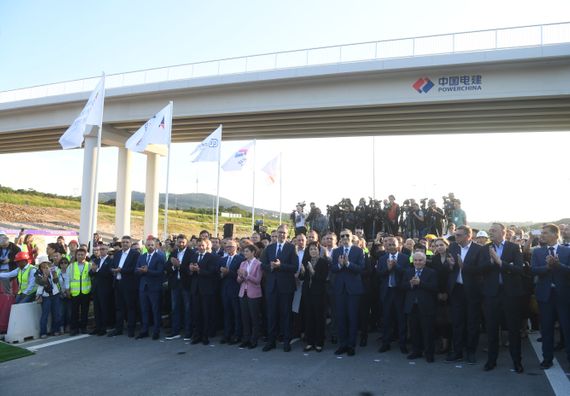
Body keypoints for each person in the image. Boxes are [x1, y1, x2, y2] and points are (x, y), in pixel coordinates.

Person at [481, 223, 525, 373]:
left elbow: (519, 269)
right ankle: (491, 361)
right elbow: (480, 269)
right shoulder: (485, 248)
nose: (490, 232)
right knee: (492, 329)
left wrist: (501, 263)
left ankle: (517, 361)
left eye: (494, 230)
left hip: (510, 294)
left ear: (503, 232)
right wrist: (491, 262)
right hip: (492, 295)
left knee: (513, 329)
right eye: (490, 230)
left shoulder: (513, 247)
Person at [531, 224, 570, 369]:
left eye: (545, 233)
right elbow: (534, 270)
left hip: (564, 296)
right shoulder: (538, 252)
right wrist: (548, 267)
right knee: (546, 329)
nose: (542, 235)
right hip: (545, 296)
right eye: (542, 233)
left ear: (555, 234)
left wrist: (557, 264)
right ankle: (547, 359)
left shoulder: (567, 251)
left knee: (567, 328)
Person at [446, 225, 485, 364]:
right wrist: (450, 265)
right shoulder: (452, 247)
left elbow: (482, 270)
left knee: (472, 323)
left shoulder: (479, 249)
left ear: (468, 236)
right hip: (456, 289)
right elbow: (449, 268)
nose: (456, 237)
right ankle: (457, 352)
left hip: (472, 291)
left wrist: (465, 267)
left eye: (459, 235)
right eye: (456, 235)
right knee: (457, 322)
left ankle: (471, 352)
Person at [260, 224, 298, 352]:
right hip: (271, 286)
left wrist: (280, 266)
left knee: (286, 314)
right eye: (279, 232)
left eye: (284, 233)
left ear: (287, 235)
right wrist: (270, 266)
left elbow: (295, 267)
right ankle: (271, 341)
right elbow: (262, 265)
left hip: (286, 287)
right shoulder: (269, 248)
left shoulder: (291, 248)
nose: (281, 235)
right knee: (271, 314)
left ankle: (286, 341)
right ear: (276, 233)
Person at [331, 229, 365, 356]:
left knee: (352, 318)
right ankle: (343, 344)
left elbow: (361, 269)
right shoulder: (336, 251)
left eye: (347, 235)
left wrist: (348, 264)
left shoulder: (358, 250)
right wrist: (340, 265)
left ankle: (351, 345)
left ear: (351, 237)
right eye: (342, 236)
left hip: (353, 290)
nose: (345, 237)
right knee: (341, 317)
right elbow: (333, 269)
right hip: (340, 289)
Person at [402, 252, 438, 362]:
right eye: (416, 260)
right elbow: (401, 285)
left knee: (427, 331)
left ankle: (429, 353)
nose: (417, 262)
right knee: (414, 330)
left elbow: (434, 287)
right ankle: (416, 351)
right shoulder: (408, 271)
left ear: (425, 261)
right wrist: (410, 284)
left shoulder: (431, 272)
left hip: (426, 306)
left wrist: (420, 283)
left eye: (420, 260)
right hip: (412, 306)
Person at [377, 237, 409, 354]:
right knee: (386, 319)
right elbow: (379, 274)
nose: (391, 247)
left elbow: (407, 273)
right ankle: (385, 343)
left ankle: (402, 344)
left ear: (398, 245)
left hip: (399, 292)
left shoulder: (404, 258)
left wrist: (396, 266)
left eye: (393, 244)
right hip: (387, 292)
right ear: (385, 246)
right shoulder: (382, 259)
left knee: (401, 319)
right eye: (388, 245)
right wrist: (388, 269)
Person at [108, 236, 140, 338]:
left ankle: (131, 329)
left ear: (130, 243)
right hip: (118, 283)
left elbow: (133, 269)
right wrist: (112, 270)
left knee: (130, 307)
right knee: (119, 307)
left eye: (127, 242)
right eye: (123, 242)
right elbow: (112, 265)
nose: (125, 244)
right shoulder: (117, 254)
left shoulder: (135, 254)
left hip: (129, 284)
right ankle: (119, 329)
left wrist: (120, 270)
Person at [301, 241, 329, 352]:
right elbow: (302, 278)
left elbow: (323, 279)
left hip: (319, 294)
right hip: (307, 293)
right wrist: (302, 272)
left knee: (319, 318)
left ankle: (319, 342)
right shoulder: (305, 261)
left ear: (319, 250)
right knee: (308, 317)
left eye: (315, 249)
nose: (313, 251)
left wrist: (313, 272)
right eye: (311, 249)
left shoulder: (323, 262)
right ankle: (309, 342)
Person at [189, 239, 219, 345]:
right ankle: (197, 335)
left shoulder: (212, 257)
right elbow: (190, 272)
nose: (200, 247)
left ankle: (205, 336)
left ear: (206, 246)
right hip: (195, 289)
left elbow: (213, 271)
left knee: (206, 313)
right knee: (196, 313)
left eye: (202, 245)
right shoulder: (194, 256)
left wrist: (199, 270)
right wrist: (191, 270)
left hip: (206, 289)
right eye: (198, 245)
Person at [136, 238, 166, 340]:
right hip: (143, 287)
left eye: (152, 245)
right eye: (148, 245)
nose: (150, 247)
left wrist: (147, 271)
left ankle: (156, 331)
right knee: (144, 310)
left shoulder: (159, 257)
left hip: (154, 287)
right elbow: (136, 270)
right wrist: (140, 271)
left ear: (155, 245)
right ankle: (144, 330)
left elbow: (160, 272)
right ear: (145, 246)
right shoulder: (142, 257)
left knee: (155, 310)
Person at [166, 234, 194, 340]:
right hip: (175, 284)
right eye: (179, 242)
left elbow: (190, 270)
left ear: (186, 243)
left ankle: (188, 332)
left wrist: (179, 266)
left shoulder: (191, 253)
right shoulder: (173, 252)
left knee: (187, 309)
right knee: (175, 308)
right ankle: (175, 331)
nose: (181, 244)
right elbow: (167, 266)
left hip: (186, 284)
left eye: (183, 242)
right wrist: (173, 266)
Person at [429, 238, 452, 355]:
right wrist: (438, 292)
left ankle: (450, 343)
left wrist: (447, 293)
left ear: (447, 245)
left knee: (450, 319)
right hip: (438, 293)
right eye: (436, 245)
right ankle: (443, 343)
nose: (439, 247)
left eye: (441, 245)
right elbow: (434, 278)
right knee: (440, 320)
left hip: (451, 293)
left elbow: (453, 276)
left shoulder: (452, 257)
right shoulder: (434, 259)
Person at [237, 244, 263, 349]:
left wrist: (247, 275)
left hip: (254, 294)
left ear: (253, 252)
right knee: (245, 317)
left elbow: (257, 280)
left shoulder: (258, 264)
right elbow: (238, 280)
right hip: (243, 292)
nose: (245, 253)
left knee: (254, 318)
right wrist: (241, 276)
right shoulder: (242, 263)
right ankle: (246, 339)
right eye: (244, 251)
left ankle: (254, 339)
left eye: (247, 251)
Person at [219, 239, 244, 344]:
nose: (229, 248)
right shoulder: (222, 259)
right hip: (225, 290)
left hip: (236, 289)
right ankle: (227, 334)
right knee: (227, 313)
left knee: (237, 313)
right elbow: (218, 275)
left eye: (231, 246)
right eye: (227, 246)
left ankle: (237, 335)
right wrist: (221, 274)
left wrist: (229, 272)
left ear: (236, 247)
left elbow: (240, 275)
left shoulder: (240, 259)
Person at [65, 248, 91, 336]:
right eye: (78, 254)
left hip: (86, 292)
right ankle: (74, 329)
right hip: (74, 292)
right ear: (76, 256)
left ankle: (83, 327)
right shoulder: (71, 266)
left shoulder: (89, 265)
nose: (80, 256)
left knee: (85, 311)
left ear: (85, 255)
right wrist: (67, 289)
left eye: (82, 254)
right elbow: (67, 278)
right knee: (74, 311)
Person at [89, 244, 113, 336]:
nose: (102, 251)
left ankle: (103, 328)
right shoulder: (96, 260)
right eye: (100, 249)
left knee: (104, 308)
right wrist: (93, 271)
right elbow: (91, 273)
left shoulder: (110, 261)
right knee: (97, 309)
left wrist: (97, 270)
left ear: (107, 250)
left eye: (104, 249)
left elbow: (109, 273)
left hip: (105, 288)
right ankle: (97, 327)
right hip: (96, 288)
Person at [35, 259, 62, 338]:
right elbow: (42, 283)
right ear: (40, 267)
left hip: (55, 294)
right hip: (45, 296)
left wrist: (54, 274)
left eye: (47, 265)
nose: (45, 267)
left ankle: (55, 330)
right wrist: (45, 276)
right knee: (45, 315)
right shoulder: (37, 275)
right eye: (43, 266)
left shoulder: (53, 271)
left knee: (57, 313)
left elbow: (56, 281)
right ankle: (43, 332)